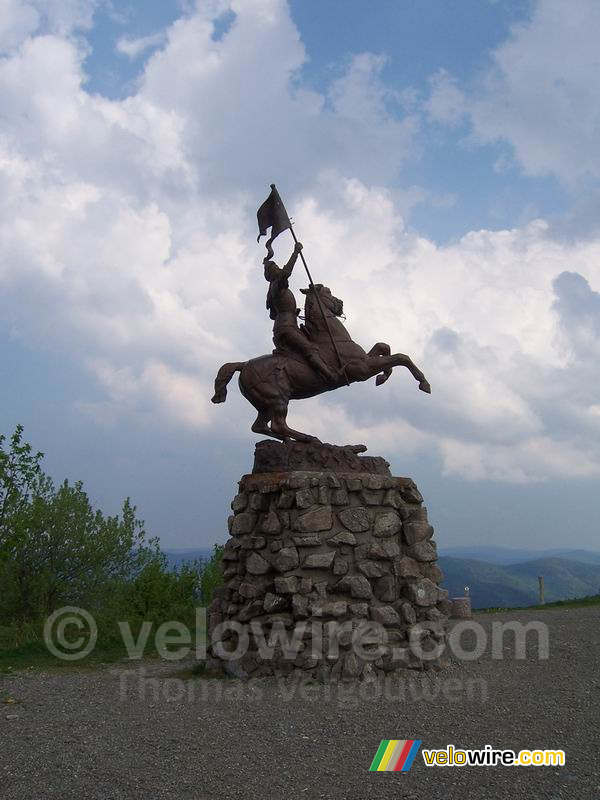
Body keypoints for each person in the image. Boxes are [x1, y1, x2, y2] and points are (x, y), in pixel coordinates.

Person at [263, 241, 338, 383]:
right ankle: (330, 375)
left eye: (278, 267)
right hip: (287, 328)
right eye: (276, 268)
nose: (279, 269)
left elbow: (273, 315)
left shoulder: (273, 291)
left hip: (284, 326)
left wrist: (292, 313)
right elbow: (286, 273)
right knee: (310, 348)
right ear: (271, 274)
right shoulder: (277, 284)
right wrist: (295, 252)